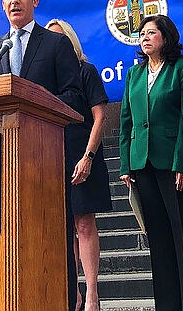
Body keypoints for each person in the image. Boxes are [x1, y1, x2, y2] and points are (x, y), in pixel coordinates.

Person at [0, 0, 87, 311]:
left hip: (46, 157)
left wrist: (35, 101)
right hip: (3, 162)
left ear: (35, 1)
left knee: (53, 239)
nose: (14, 1)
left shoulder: (55, 44)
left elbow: (74, 96)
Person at [119, 15, 183, 311]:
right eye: (141, 33)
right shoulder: (134, 74)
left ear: (166, 38)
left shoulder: (181, 69)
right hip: (142, 165)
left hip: (174, 164)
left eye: (151, 33)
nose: (144, 37)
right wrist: (125, 166)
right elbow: (125, 123)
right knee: (158, 241)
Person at [45, 19, 111, 311]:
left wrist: (88, 156)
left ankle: (92, 293)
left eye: (61, 40)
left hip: (82, 155)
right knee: (63, 229)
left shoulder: (86, 71)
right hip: (51, 158)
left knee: (84, 224)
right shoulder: (47, 78)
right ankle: (72, 294)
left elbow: (99, 117)